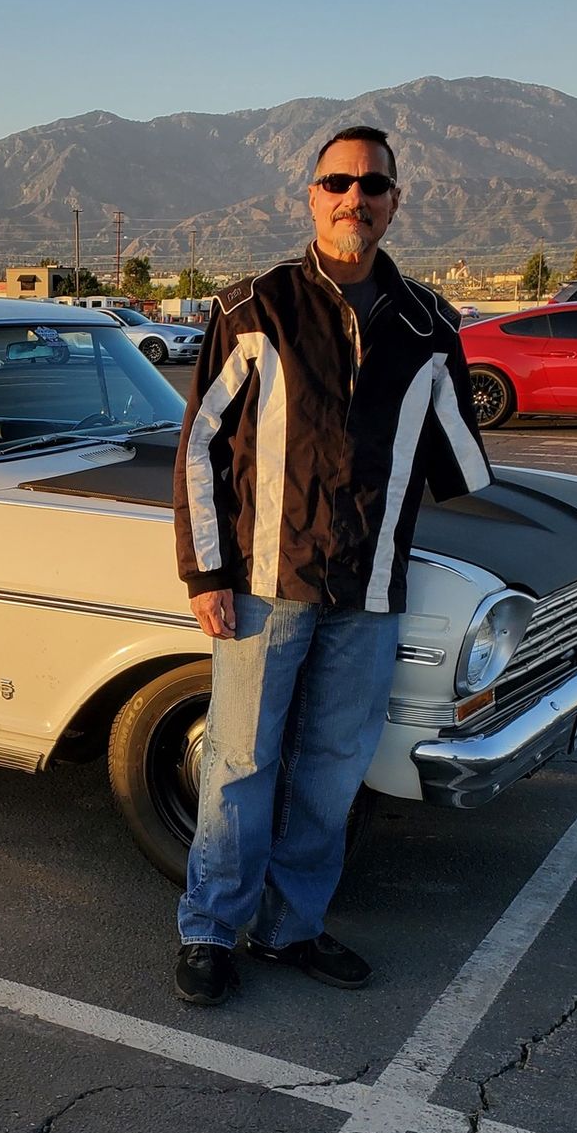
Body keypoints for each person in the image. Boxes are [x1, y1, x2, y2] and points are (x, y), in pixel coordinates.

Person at [169, 125, 493, 1006]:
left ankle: (290, 927)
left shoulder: (429, 326)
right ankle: (208, 930)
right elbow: (199, 447)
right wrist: (205, 574)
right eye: (338, 182)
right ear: (310, 196)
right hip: (262, 587)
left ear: (395, 201)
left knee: (332, 770)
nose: (357, 198)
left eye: (373, 185)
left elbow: (459, 462)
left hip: (371, 588)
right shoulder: (253, 309)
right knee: (239, 763)